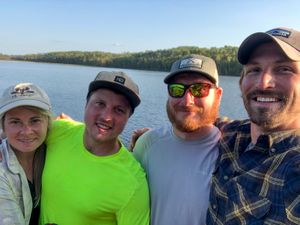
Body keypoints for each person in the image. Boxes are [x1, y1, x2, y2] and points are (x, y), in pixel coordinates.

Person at [207, 27, 300, 224]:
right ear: (241, 82)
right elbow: (200, 121)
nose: (263, 82)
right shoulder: (231, 133)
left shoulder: (294, 167)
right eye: (254, 70)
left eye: (284, 69)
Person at [40, 71, 150, 225]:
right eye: (100, 104)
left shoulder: (133, 184)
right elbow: (20, 130)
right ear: (86, 104)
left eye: (119, 110)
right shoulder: (59, 131)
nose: (106, 116)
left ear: (128, 118)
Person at [133, 54, 223, 225]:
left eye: (199, 89)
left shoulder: (231, 153)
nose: (187, 100)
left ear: (218, 95)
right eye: (176, 89)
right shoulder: (147, 144)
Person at [0, 83, 52, 225]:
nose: (27, 131)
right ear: (3, 126)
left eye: (35, 120)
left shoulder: (56, 149)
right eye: (15, 122)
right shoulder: (2, 172)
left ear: (48, 122)